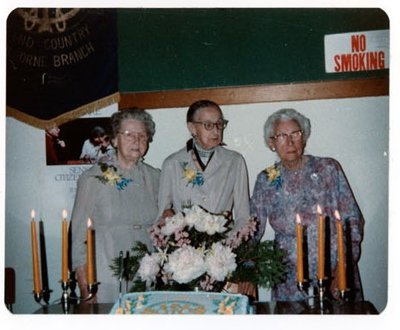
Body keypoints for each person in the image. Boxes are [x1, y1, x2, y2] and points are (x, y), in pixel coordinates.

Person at [250, 108, 364, 302]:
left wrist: (343, 267)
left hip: (335, 272)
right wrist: (246, 271)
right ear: (272, 143)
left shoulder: (328, 168)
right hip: (290, 279)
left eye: (296, 133)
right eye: (282, 136)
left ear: (304, 137)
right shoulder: (265, 180)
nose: (290, 141)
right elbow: (252, 229)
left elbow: (352, 220)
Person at [158, 100, 256, 298]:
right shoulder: (172, 163)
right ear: (192, 128)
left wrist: (234, 256)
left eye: (220, 124)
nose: (216, 131)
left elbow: (243, 216)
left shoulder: (234, 161)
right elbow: (162, 216)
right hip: (184, 261)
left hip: (224, 258)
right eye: (208, 125)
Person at [71, 108, 160, 303]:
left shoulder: (156, 177)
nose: (136, 140)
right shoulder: (92, 178)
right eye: (128, 134)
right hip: (104, 274)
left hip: (146, 272)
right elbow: (78, 236)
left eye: (142, 135)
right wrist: (85, 286)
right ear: (114, 140)